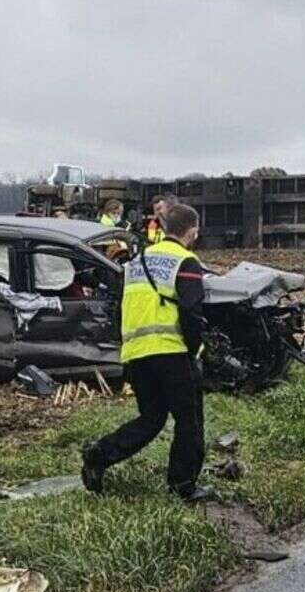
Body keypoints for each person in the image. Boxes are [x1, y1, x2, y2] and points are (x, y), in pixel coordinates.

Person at [82, 203, 214, 502]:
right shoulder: (186, 261)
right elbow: (191, 311)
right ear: (192, 231)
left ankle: (99, 455)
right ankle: (184, 486)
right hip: (172, 352)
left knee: (152, 418)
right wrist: (195, 350)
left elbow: (121, 307)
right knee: (189, 419)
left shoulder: (138, 261)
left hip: (136, 353)